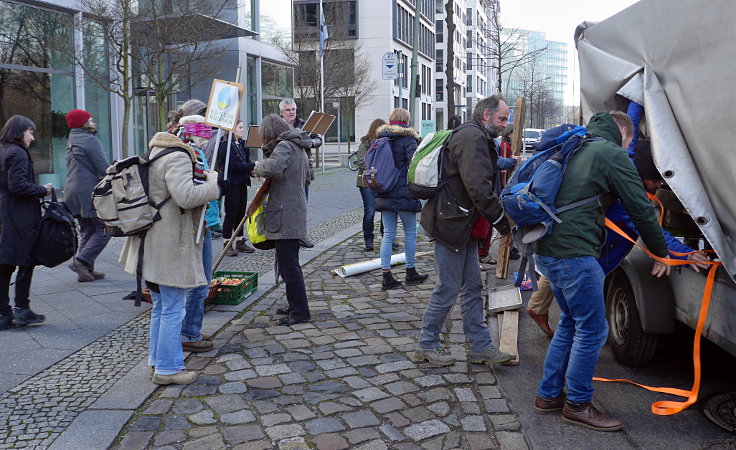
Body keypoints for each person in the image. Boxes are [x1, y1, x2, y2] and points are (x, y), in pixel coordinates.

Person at [531, 111, 671, 432]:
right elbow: (640, 207)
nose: (632, 147)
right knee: (593, 330)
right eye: (632, 140)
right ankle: (578, 404)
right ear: (622, 131)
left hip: (548, 248)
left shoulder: (576, 144)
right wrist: (661, 252)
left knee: (570, 323)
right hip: (575, 253)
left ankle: (548, 395)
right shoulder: (610, 153)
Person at [526, 138, 710, 338]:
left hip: (570, 245)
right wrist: (684, 254)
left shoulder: (627, 160)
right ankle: (578, 361)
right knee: (585, 328)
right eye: (656, 179)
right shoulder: (626, 192)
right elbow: (647, 227)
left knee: (568, 310)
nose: (659, 185)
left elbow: (629, 129)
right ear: (643, 175)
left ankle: (542, 314)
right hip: (590, 252)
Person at [416, 95, 514, 366]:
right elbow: (479, 189)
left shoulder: (477, 136)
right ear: (485, 115)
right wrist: (503, 224)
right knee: (448, 287)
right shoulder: (472, 138)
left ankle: (480, 347)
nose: (505, 125)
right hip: (452, 225)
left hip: (462, 224)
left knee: (472, 287)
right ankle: (427, 343)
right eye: (502, 119)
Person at [120, 123, 219, 385]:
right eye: (203, 135)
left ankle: (157, 361)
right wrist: (213, 184)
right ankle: (168, 369)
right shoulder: (178, 156)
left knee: (162, 307)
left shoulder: (158, 152)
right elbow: (186, 197)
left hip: (152, 243)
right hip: (168, 245)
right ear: (190, 135)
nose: (205, 141)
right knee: (173, 308)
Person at [253, 114, 312, 326]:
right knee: (288, 263)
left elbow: (271, 168)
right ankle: (294, 305)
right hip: (291, 208)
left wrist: (257, 166)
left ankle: (300, 311)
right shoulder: (297, 145)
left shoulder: (285, 146)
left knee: (289, 266)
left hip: (286, 211)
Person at [172, 114, 223, 353]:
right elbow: (191, 193)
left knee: (200, 281)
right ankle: (189, 333)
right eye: (204, 130)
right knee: (199, 283)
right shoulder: (189, 154)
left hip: (204, 222)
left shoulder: (193, 152)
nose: (207, 136)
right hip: (196, 224)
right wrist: (213, 184)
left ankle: (190, 329)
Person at [0, 115, 53, 330]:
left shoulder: (3, 150)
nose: (32, 137)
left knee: (5, 263)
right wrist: (44, 190)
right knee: (27, 259)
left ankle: (4, 314)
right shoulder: (18, 153)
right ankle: (22, 308)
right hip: (20, 216)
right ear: (20, 131)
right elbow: (18, 185)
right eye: (30, 132)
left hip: (5, 213)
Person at [374, 109, 428, 290]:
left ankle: (386, 275)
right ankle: (410, 271)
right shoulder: (408, 140)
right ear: (406, 120)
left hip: (385, 190)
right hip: (404, 191)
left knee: (388, 234)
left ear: (391, 120)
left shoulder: (381, 138)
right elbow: (414, 165)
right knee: (410, 233)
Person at [64, 109, 111, 282]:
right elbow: (102, 168)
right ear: (82, 124)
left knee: (87, 229)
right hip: (87, 192)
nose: (93, 123)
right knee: (105, 229)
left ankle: (86, 269)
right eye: (90, 121)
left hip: (71, 192)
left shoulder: (72, 139)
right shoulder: (90, 140)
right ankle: (81, 261)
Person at [478, 123, 520, 268]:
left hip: (493, 189)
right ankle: (481, 253)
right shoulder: (497, 145)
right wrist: (512, 162)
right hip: (489, 190)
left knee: (487, 224)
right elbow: (498, 162)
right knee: (486, 223)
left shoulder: (492, 142)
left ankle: (482, 253)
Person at [217, 121, 255, 256]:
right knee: (231, 213)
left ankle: (239, 241)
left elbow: (245, 162)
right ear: (232, 129)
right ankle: (227, 243)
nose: (243, 129)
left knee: (241, 213)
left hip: (242, 182)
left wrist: (252, 171)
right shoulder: (224, 145)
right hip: (231, 183)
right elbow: (233, 166)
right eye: (240, 127)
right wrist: (252, 166)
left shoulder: (242, 144)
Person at [356, 119, 387, 251]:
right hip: (366, 182)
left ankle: (386, 237)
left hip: (382, 181)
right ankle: (368, 239)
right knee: (370, 211)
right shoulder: (365, 142)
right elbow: (361, 161)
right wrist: (376, 169)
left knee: (385, 211)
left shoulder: (385, 143)